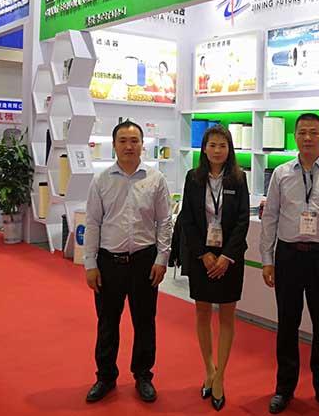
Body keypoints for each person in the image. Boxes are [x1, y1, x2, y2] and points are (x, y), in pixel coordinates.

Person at [260, 113, 319, 416]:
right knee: (287, 324)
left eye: (313, 132)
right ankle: (284, 388)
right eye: (302, 132)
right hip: (288, 255)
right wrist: (267, 259)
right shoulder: (281, 173)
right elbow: (270, 217)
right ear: (295, 136)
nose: (307, 138)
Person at [82, 120, 173, 404]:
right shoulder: (101, 180)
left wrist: (162, 258)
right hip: (109, 262)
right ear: (114, 145)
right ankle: (105, 377)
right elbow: (93, 223)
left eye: (134, 141)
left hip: (145, 261)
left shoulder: (156, 179)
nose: (129, 146)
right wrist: (90, 264)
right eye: (123, 141)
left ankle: (143, 375)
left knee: (145, 322)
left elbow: (165, 222)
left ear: (142, 145)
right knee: (107, 322)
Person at [178, 125, 250, 411]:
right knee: (202, 312)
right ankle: (209, 369)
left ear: (229, 149)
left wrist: (226, 256)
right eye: (212, 145)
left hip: (229, 258)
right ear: (204, 148)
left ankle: (220, 377)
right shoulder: (193, 178)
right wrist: (203, 254)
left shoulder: (239, 178)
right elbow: (187, 219)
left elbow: (242, 221)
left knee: (227, 317)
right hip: (202, 257)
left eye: (223, 145)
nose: (217, 150)